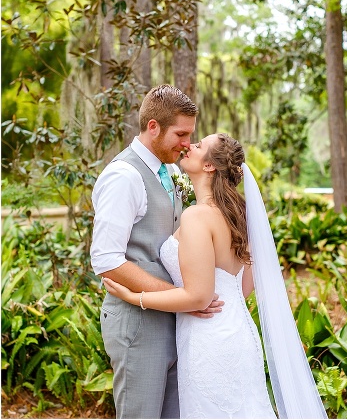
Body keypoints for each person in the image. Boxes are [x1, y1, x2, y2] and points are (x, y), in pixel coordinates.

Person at [103, 133, 327, 419]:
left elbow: (198, 296)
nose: (189, 146)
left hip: (207, 340)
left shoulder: (197, 216)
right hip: (238, 332)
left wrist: (135, 297)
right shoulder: (238, 214)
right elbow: (243, 287)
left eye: (198, 145)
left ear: (209, 166)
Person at [91, 84, 220, 419]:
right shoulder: (124, 177)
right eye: (180, 134)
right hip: (137, 323)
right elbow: (106, 260)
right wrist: (181, 295)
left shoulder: (172, 171)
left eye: (191, 135)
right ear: (153, 127)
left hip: (173, 318)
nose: (187, 144)